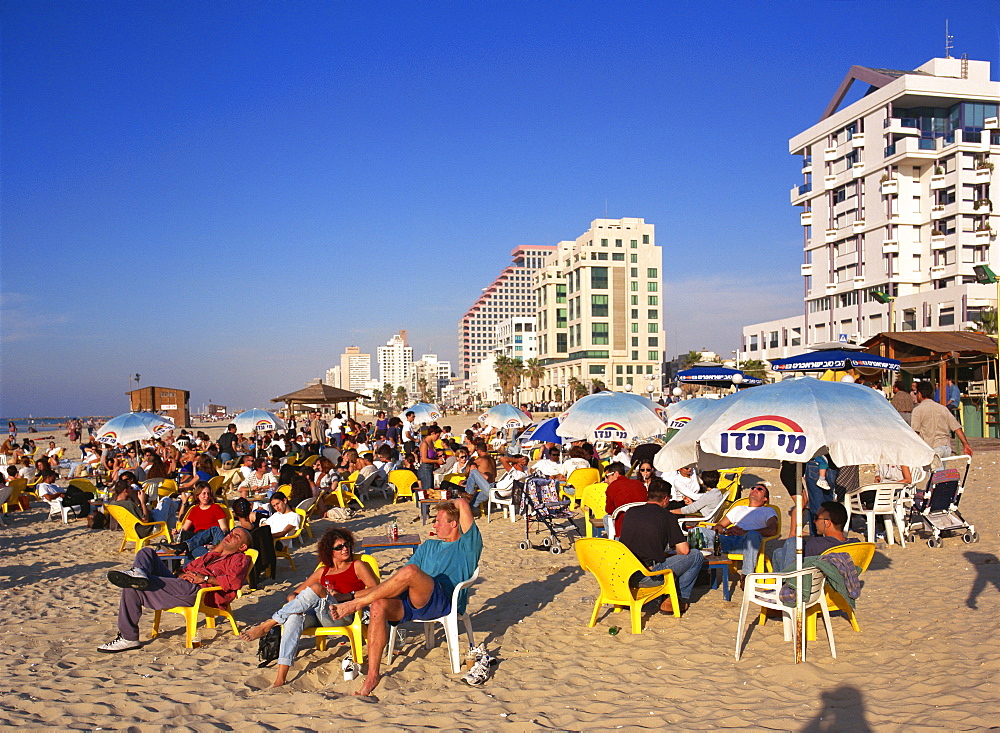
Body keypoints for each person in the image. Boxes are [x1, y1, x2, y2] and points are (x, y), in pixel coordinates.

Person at [328, 498, 482, 696]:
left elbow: (461, 502)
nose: (434, 524)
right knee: (378, 605)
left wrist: (448, 502)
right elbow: (395, 582)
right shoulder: (429, 546)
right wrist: (349, 595)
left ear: (454, 523)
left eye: (438, 520)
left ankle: (354, 605)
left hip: (443, 601)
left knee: (410, 571)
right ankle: (373, 675)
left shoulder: (467, 546)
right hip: (413, 599)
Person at [240, 527, 380, 687]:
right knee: (293, 617)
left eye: (347, 544)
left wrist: (346, 596)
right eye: (339, 547)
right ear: (330, 551)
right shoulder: (322, 571)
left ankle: (268, 624)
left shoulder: (357, 565)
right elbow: (293, 594)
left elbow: (375, 589)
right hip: (318, 614)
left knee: (317, 589)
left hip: (343, 613)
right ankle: (281, 677)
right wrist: (295, 603)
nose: (345, 549)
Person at [98, 527, 252, 653]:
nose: (230, 536)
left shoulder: (240, 559)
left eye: (236, 536)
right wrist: (182, 574)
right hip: (182, 583)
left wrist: (204, 579)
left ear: (242, 547)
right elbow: (188, 568)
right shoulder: (212, 555)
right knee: (147, 552)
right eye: (231, 533)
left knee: (132, 585)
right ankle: (139, 573)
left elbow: (235, 582)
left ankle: (128, 638)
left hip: (197, 591)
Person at [618, 480, 704, 615]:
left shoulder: (630, 512)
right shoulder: (667, 516)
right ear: (665, 498)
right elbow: (684, 551)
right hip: (648, 576)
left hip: (625, 574)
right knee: (696, 556)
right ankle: (677, 599)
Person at [710, 483, 779, 579]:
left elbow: (772, 530)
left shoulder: (768, 511)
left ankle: (746, 576)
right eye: (753, 487)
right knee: (699, 531)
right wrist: (726, 531)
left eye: (759, 489)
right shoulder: (738, 509)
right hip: (728, 541)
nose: (754, 489)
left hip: (749, 544)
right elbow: (718, 526)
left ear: (765, 499)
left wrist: (744, 532)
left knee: (753, 535)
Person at [770, 501, 858, 570]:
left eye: (816, 518)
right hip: (840, 584)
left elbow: (804, 572)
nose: (813, 522)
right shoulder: (856, 544)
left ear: (827, 523)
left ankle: (783, 589)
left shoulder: (816, 544)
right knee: (779, 553)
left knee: (793, 541)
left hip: (810, 588)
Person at [912, 381, 973, 458]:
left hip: (932, 448)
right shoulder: (943, 408)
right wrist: (965, 444)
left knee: (931, 470)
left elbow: (915, 432)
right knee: (941, 470)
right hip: (946, 447)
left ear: (920, 394)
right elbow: (957, 428)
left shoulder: (918, 410)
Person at [171, 482, 229, 559]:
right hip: (199, 540)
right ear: (198, 495)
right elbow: (184, 528)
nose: (206, 496)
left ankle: (184, 547)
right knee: (192, 548)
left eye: (208, 494)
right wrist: (177, 532)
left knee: (214, 529)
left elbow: (224, 528)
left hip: (213, 538)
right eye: (204, 494)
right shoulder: (194, 510)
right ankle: (203, 560)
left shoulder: (216, 508)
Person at [602, 462, 647, 537]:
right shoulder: (639, 484)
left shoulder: (612, 487)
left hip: (622, 529)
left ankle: (614, 542)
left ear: (616, 474)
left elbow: (609, 510)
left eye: (607, 476)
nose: (605, 480)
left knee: (606, 518)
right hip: (643, 522)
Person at [418, 425, 445, 491]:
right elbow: (424, 459)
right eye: (437, 435)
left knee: (431, 490)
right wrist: (437, 461)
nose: (438, 438)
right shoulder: (424, 443)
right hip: (425, 469)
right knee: (428, 490)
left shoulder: (431, 443)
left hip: (430, 468)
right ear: (432, 433)